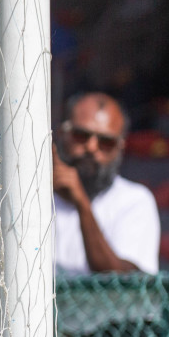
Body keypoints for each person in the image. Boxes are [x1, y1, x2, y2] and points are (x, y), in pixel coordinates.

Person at [52, 92, 161, 275]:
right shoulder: (34, 197)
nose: (91, 147)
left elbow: (122, 281)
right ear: (62, 134)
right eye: (81, 135)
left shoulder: (135, 201)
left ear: (120, 148)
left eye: (106, 142)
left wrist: (82, 203)